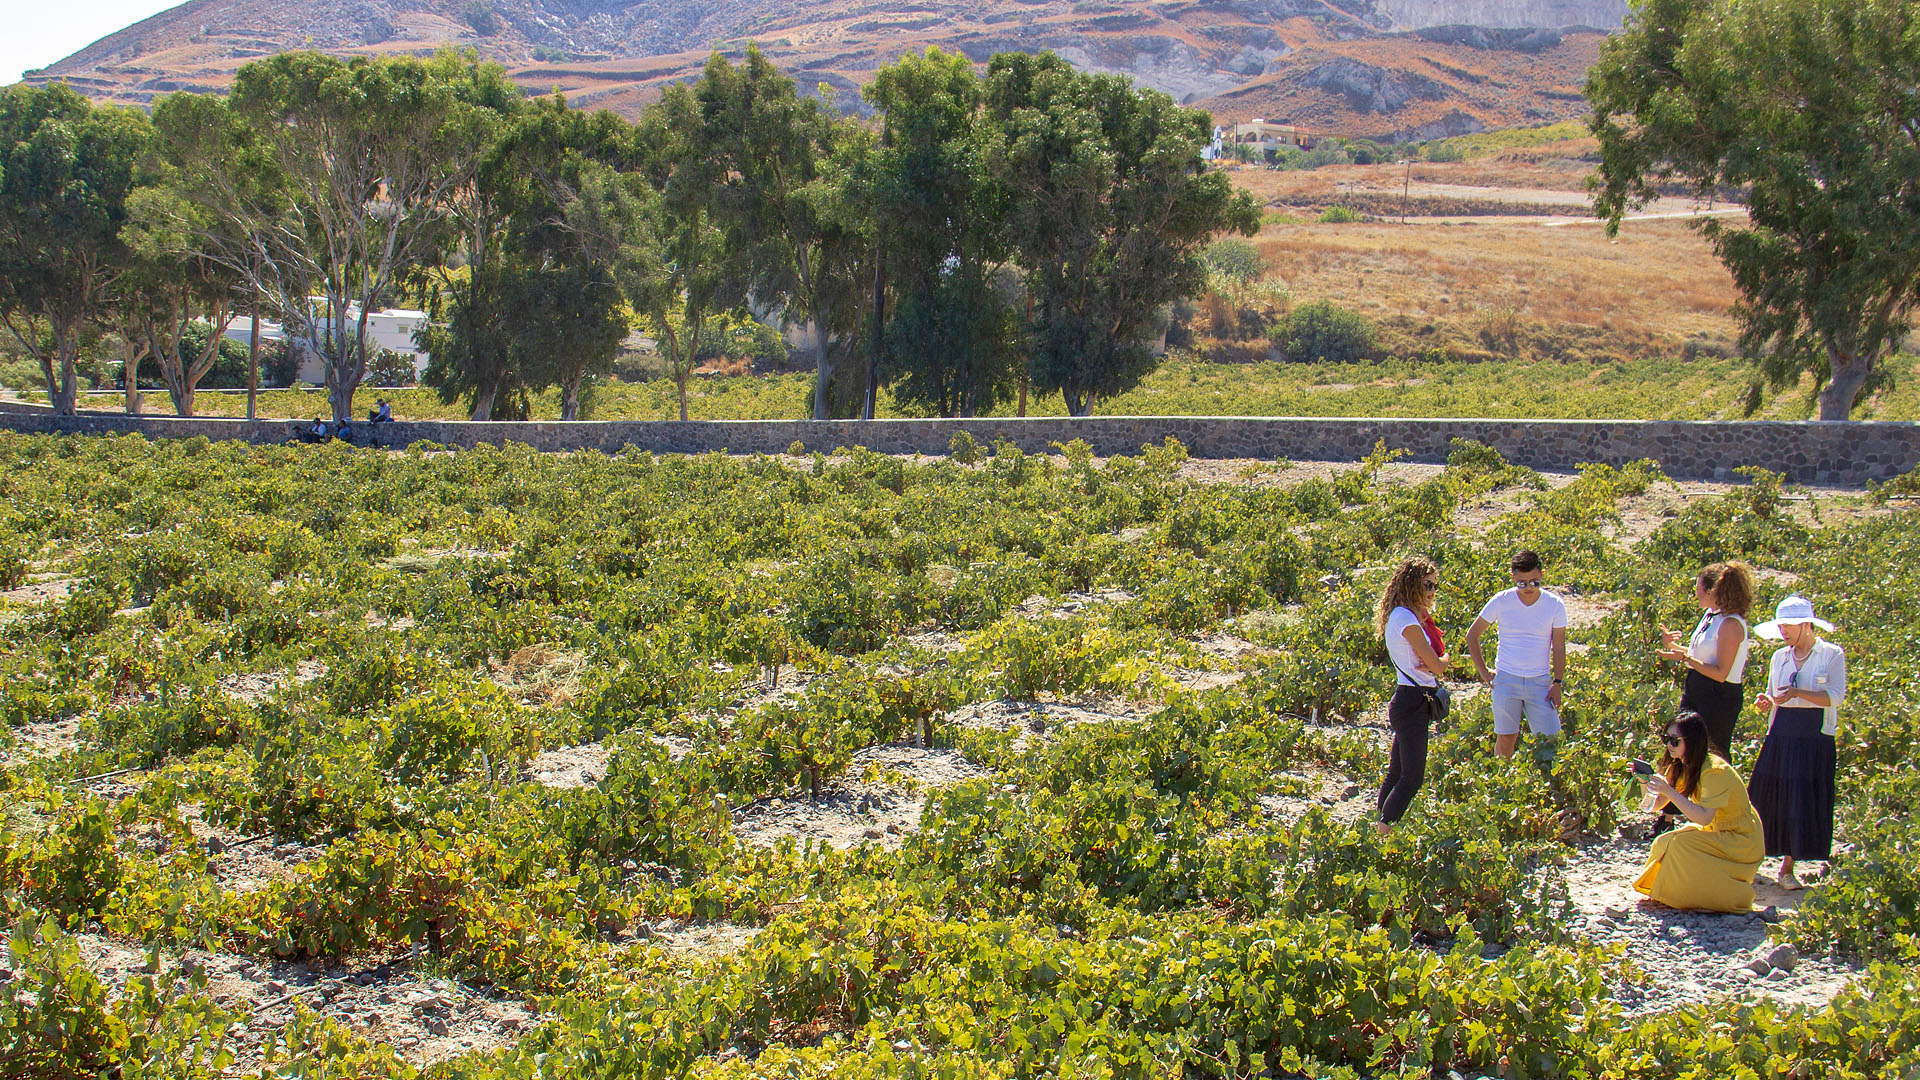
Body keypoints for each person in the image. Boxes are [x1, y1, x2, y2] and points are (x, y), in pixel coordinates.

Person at [1748, 596, 1845, 891]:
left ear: (1806, 625)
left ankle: (1788, 867)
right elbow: (1773, 693)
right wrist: (1767, 702)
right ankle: (1748, 859)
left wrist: (1798, 694)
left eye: (1788, 627)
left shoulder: (1830, 654)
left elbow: (1835, 696)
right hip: (1781, 731)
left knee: (1800, 800)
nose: (1784, 633)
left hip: (1813, 735)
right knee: (1764, 796)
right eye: (1781, 627)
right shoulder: (1779, 656)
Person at [1632, 709, 1764, 912]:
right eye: (1666, 739)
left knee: (1679, 845)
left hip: (1740, 838)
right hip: (1717, 831)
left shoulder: (1714, 770)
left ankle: (1721, 896)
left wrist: (1669, 790)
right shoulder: (1681, 765)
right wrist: (1645, 782)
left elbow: (1703, 818)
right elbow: (1652, 806)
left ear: (1692, 741)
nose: (1669, 745)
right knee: (1663, 842)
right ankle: (1669, 892)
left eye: (1675, 741)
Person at [1465, 549, 1568, 764]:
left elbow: (1559, 646)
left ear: (1541, 574)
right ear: (1513, 578)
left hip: (1540, 681)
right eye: (1522, 583)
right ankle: (1500, 788)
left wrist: (1557, 682)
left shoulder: (1555, 604)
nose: (1529, 588)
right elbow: (1472, 635)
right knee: (1506, 738)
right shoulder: (1501, 600)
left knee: (1551, 741)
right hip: (1507, 680)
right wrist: (1484, 673)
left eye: (1534, 582)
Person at [1375, 557, 1449, 835]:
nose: (1431, 591)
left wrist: (1436, 661)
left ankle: (1380, 825)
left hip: (1409, 698)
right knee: (1412, 777)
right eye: (1426, 584)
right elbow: (1436, 665)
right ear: (1411, 585)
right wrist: (1444, 660)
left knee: (1397, 770)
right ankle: (1385, 829)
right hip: (1412, 701)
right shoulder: (1406, 619)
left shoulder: (1402, 616)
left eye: (1434, 586)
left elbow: (1431, 662)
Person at [1657, 562, 1754, 761]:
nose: (1697, 594)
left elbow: (1720, 673)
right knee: (1683, 746)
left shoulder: (1731, 623)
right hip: (1697, 688)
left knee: (1711, 753)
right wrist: (1674, 647)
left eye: (1699, 589)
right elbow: (1701, 655)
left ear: (1713, 591)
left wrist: (1685, 658)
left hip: (1718, 696)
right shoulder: (1710, 615)